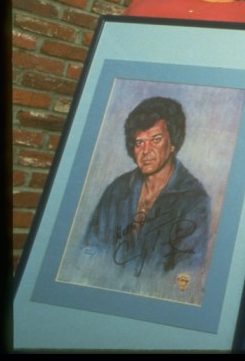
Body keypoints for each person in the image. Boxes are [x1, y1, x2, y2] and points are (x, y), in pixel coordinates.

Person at [83, 96, 211, 280]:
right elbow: (90, 251)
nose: (146, 151)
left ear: (173, 142)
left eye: (156, 139)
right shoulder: (117, 190)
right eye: (139, 142)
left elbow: (185, 273)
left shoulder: (194, 199)